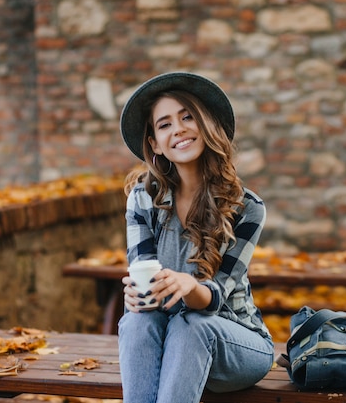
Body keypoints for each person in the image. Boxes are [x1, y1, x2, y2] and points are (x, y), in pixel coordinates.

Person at [117, 72, 274, 403]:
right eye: (164, 124)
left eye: (188, 117)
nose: (178, 129)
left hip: (235, 342)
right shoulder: (143, 198)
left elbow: (215, 298)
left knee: (192, 326)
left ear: (207, 126)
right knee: (136, 323)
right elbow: (144, 274)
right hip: (168, 335)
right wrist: (138, 295)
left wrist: (190, 286)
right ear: (155, 144)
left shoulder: (247, 208)